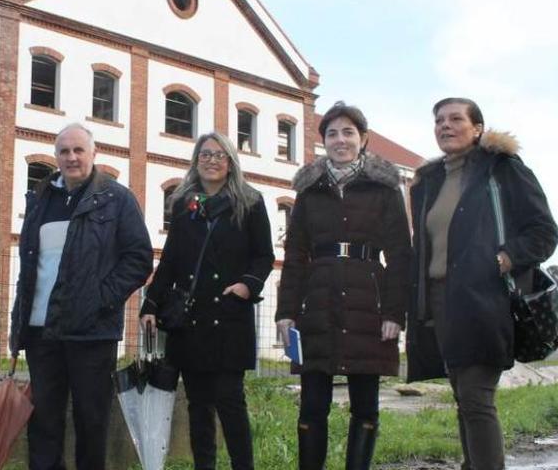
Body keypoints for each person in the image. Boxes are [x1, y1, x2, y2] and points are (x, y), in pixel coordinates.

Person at [406, 97, 557, 470]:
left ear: (477, 128)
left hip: (485, 299)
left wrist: (502, 258)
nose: (445, 125)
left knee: (475, 398)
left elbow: (543, 232)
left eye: (456, 118)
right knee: (465, 397)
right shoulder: (430, 181)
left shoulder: (501, 169)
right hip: (441, 301)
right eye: (438, 119)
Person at [275, 101, 412, 470]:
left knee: (365, 405)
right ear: (324, 142)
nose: (340, 140)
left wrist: (395, 312)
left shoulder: (384, 189)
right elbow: (294, 256)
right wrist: (286, 311)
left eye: (348, 132)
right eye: (332, 133)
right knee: (312, 405)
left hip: (369, 304)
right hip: (316, 303)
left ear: (363, 139)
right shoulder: (310, 191)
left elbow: (400, 256)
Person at [9, 123, 153, 470]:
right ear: (56, 157)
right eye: (64, 151)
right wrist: (20, 323)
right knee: (43, 420)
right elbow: (31, 265)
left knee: (91, 420)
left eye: (78, 150)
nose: (71, 158)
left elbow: (139, 259)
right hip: (42, 330)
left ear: (93, 154)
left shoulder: (117, 198)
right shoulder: (41, 198)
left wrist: (101, 299)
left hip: (92, 332)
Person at [141, 132, 274, 470]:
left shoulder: (250, 202)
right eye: (205, 154)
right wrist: (151, 304)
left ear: (231, 163)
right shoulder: (186, 206)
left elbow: (264, 256)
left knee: (231, 402)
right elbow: (170, 261)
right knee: (198, 405)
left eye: (220, 155)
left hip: (229, 316)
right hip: (191, 320)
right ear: (196, 161)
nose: (212, 160)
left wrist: (247, 285)